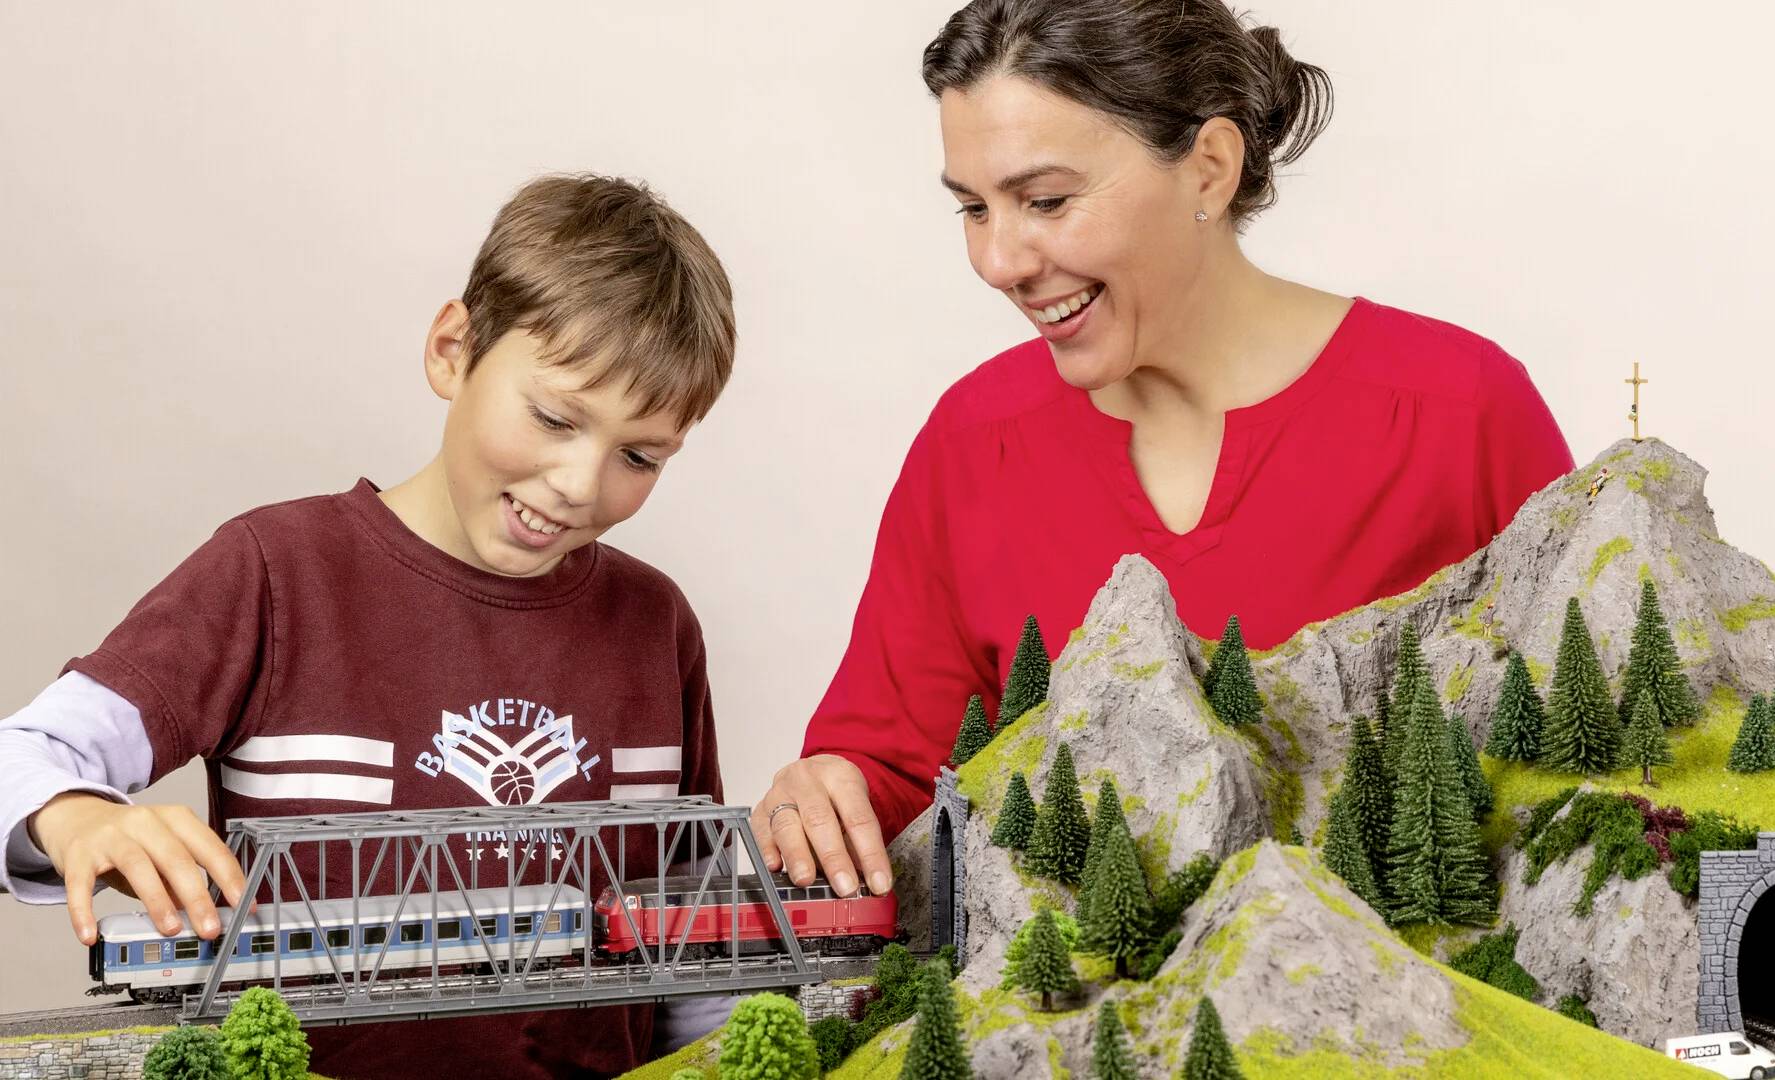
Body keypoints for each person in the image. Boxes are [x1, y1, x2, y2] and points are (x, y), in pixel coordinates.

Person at [751, 0, 1576, 899]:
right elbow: (896, 780)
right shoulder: (973, 443)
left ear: (1209, 168)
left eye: (1046, 201)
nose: (998, 262)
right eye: (974, 208)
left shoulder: (1462, 414)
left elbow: (1587, 752)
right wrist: (822, 792)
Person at [0, 174, 738, 1078]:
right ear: (452, 351)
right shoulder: (275, 572)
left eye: (639, 456)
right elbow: (20, 755)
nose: (580, 485)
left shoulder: (657, 625)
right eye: (553, 417)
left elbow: (702, 948)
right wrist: (74, 816)